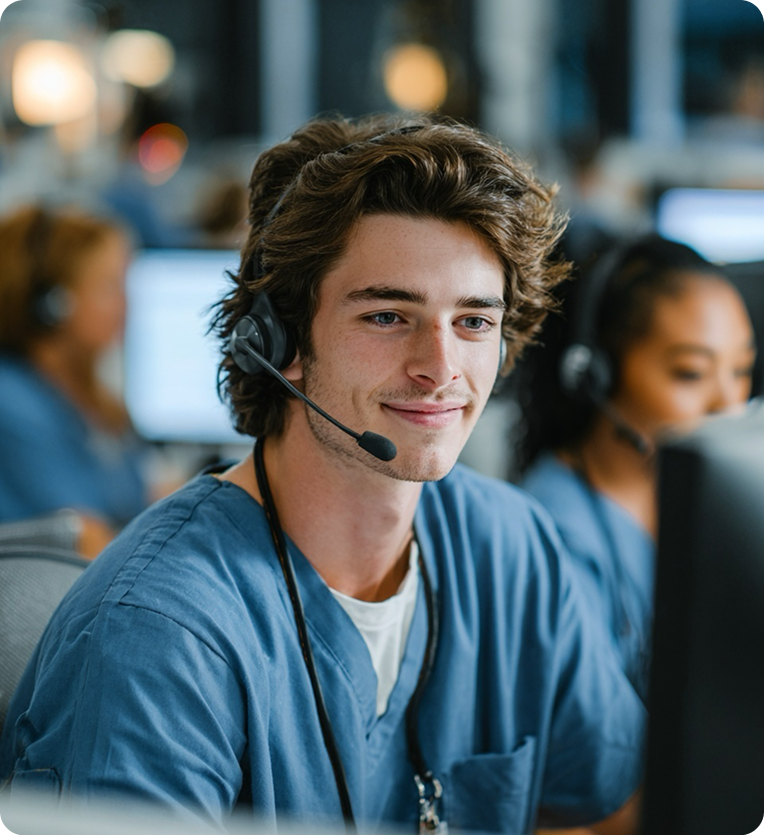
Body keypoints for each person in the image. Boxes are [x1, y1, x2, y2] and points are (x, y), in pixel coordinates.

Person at [0, 114, 645, 834]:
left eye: (473, 322)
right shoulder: (154, 634)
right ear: (280, 339)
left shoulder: (511, 547)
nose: (440, 369)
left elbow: (613, 806)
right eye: (387, 317)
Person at [514, 232, 757, 703]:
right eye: (690, 373)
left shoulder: (705, 504)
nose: (730, 406)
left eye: (742, 371)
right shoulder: (556, 539)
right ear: (596, 376)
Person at [0, 204, 152, 558]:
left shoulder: (92, 395)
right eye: (109, 287)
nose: (126, 305)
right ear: (52, 304)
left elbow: (140, 493)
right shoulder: (11, 404)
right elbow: (87, 538)